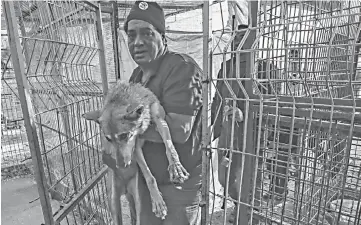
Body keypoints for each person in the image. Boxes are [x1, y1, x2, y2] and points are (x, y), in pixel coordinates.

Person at [123, 1, 203, 225]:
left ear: (163, 37)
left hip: (178, 186)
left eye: (147, 33)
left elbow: (179, 131)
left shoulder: (182, 69)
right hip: (148, 180)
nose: (137, 42)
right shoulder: (136, 77)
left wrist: (125, 130)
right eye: (131, 35)